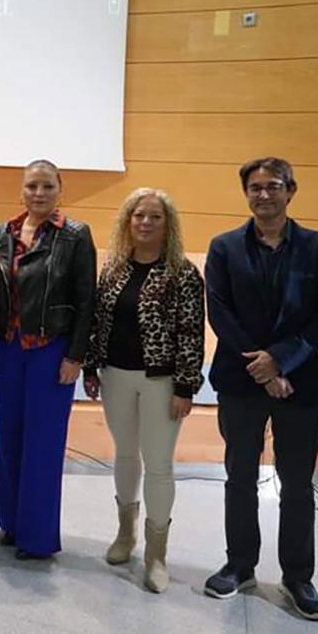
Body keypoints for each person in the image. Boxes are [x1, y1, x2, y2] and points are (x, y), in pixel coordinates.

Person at [203, 157, 318, 620]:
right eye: (255, 187)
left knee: (298, 484)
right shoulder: (224, 247)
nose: (264, 194)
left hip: (299, 383)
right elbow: (220, 313)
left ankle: (298, 577)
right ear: (246, 193)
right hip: (241, 380)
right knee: (239, 475)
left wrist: (282, 360)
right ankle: (239, 564)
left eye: (273, 186)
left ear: (291, 190)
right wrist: (263, 367)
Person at [83, 188, 205, 592]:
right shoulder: (114, 268)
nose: (146, 223)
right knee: (123, 454)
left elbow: (191, 333)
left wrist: (186, 385)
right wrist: (90, 366)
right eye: (139, 215)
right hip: (115, 375)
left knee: (159, 464)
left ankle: (157, 555)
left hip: (162, 382)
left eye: (155, 216)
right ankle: (125, 534)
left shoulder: (183, 274)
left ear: (168, 224)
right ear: (127, 221)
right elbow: (98, 321)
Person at [0, 160, 96, 560]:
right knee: (8, 438)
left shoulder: (76, 236)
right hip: (10, 348)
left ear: (60, 189)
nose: (39, 193)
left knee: (43, 445)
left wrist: (77, 355)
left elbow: (86, 301)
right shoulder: (4, 232)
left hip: (52, 351)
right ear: (22, 190)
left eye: (47, 186)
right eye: (32, 186)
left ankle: (37, 537)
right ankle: (11, 523)